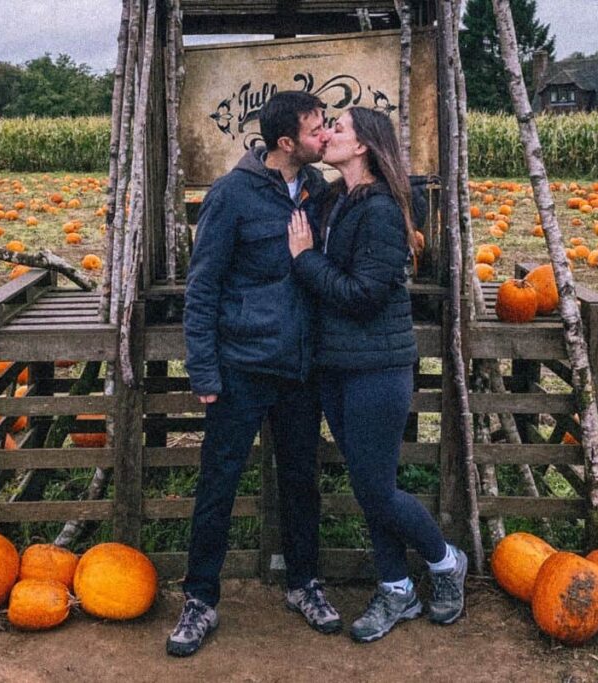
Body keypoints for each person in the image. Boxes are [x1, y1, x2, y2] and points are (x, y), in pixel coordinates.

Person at [169, 91, 341, 657]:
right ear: (287, 142)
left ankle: (304, 583)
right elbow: (203, 288)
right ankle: (199, 599)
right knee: (219, 481)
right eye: (317, 128)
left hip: (299, 367)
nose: (325, 134)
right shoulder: (232, 195)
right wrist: (204, 372)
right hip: (241, 367)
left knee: (300, 481)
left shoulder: (319, 190)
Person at [287, 106, 468, 644]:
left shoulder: (384, 210)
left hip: (377, 367)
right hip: (337, 367)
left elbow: (364, 297)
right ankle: (396, 587)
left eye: (337, 129)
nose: (327, 135)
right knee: (372, 488)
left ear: (363, 145)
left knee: (375, 489)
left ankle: (444, 562)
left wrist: (305, 259)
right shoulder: (339, 198)